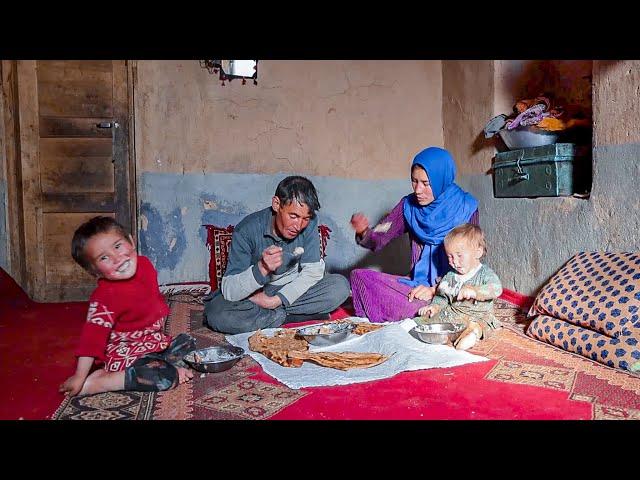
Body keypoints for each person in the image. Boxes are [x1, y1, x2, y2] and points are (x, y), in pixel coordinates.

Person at [59, 216, 196, 397]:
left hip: (152, 343)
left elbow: (150, 304)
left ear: (131, 241)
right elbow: (90, 339)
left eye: (118, 246)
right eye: (104, 258)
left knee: (188, 342)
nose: (117, 258)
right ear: (95, 271)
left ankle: (161, 365)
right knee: (166, 378)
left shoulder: (145, 265)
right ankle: (103, 382)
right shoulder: (104, 297)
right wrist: (79, 376)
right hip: (127, 354)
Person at [204, 175, 351, 334]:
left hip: (290, 292)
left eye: (305, 219)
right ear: (276, 204)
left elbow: (312, 272)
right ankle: (289, 317)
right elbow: (230, 289)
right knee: (217, 313)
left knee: (340, 286)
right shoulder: (246, 230)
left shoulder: (309, 224)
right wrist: (261, 269)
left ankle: (273, 315)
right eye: (293, 216)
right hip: (256, 295)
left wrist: (276, 301)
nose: (298, 226)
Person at [350, 146, 479, 323]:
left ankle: (432, 312)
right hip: (417, 285)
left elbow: (472, 264)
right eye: (414, 181)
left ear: (441, 180)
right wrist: (364, 232)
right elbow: (381, 238)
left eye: (426, 183)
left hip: (453, 288)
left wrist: (436, 290)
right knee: (360, 277)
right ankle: (425, 314)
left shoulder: (465, 207)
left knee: (464, 301)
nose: (418, 190)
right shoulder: (409, 206)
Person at [417, 223, 502, 350]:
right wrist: (434, 307)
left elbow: (496, 288)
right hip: (455, 313)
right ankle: (420, 331)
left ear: (478, 252)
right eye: (450, 257)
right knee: (423, 322)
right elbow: (442, 296)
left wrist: (475, 291)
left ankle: (472, 335)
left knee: (481, 324)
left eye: (459, 255)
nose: (454, 262)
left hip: (478, 315)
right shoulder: (450, 276)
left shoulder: (484, 273)